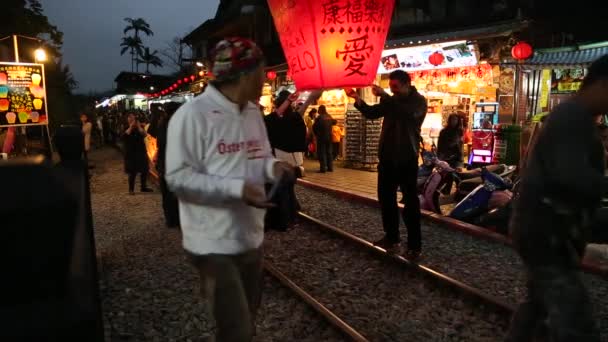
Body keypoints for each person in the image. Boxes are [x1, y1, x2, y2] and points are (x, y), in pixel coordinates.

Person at [164, 37, 293, 342]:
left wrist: (273, 168)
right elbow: (177, 178)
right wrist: (237, 189)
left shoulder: (251, 112)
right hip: (211, 242)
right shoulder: (192, 116)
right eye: (261, 71)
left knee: (247, 319)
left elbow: (259, 157)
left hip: (251, 236)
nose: (265, 78)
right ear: (244, 75)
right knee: (237, 329)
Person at [505, 55, 608, 342]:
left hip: (545, 229)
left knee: (538, 307)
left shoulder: (574, 116)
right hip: (547, 231)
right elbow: (570, 176)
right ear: (602, 84)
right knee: (575, 319)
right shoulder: (572, 117)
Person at [346, 70, 427, 258]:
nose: (393, 91)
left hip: (407, 158)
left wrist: (385, 96)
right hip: (387, 158)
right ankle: (392, 237)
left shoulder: (418, 101)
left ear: (407, 84)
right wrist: (357, 98)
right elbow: (372, 113)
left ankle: (415, 245)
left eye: (396, 87)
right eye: (391, 88)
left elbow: (409, 115)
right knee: (386, 200)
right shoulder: (393, 101)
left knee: (410, 203)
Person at [156, 102, 181, 229]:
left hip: (163, 164)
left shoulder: (162, 124)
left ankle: (170, 220)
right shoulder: (173, 124)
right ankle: (176, 220)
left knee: (167, 194)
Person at [123, 113, 152, 195]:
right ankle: (131, 189)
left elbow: (145, 135)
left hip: (141, 152)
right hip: (131, 153)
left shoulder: (139, 128)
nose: (132, 119)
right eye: (130, 117)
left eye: (133, 118)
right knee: (132, 172)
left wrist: (139, 126)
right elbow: (124, 136)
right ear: (127, 119)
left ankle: (143, 187)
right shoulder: (126, 127)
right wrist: (131, 127)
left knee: (144, 170)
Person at [437, 113, 464, 194]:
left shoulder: (459, 131)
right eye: (452, 119)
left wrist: (461, 157)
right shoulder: (444, 131)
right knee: (448, 175)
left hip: (457, 156)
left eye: (455, 120)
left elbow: (460, 144)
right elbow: (440, 144)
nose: (454, 121)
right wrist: (440, 157)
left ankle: (460, 191)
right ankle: (446, 191)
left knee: (457, 175)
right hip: (447, 156)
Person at [312, 105, 336, 172]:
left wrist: (316, 134)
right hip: (329, 137)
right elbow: (335, 122)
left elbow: (314, 127)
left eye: (319, 110)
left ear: (321, 110)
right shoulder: (329, 116)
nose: (318, 111)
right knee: (329, 152)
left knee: (321, 152)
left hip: (321, 137)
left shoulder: (319, 118)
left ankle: (323, 168)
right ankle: (330, 168)